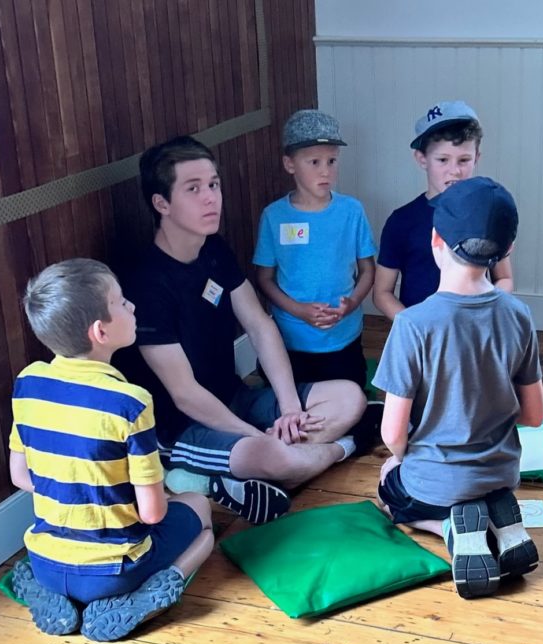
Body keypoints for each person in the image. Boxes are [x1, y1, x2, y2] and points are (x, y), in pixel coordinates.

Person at [119, 135, 366, 522]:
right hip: (181, 427)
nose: (211, 198)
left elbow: (259, 324)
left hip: (235, 398)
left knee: (350, 397)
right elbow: (185, 396)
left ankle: (241, 474)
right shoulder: (146, 283)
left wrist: (289, 407)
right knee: (276, 456)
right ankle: (343, 447)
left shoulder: (214, 249)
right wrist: (254, 436)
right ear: (161, 203)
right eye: (193, 188)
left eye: (213, 184)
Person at [9, 258, 214, 641]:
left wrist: (78, 493)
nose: (131, 306)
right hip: (115, 573)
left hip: (47, 563)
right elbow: (152, 513)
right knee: (202, 515)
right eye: (121, 302)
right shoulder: (130, 402)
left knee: (60, 552)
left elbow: (20, 475)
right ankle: (146, 597)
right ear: (100, 331)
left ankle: (45, 590)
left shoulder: (28, 383)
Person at [373, 177, 543, 599]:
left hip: (437, 485)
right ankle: (496, 521)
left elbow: (392, 433)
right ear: (507, 250)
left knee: (387, 484)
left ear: (436, 239)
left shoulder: (412, 324)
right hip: (501, 476)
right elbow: (534, 415)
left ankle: (449, 527)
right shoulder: (518, 314)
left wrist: (399, 460)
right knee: (464, 489)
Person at [253, 109, 376, 390]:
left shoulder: (351, 211)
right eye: (314, 162)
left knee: (351, 397)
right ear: (290, 164)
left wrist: (352, 302)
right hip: (292, 338)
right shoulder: (274, 216)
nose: (325, 171)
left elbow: (368, 269)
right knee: (293, 403)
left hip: (343, 336)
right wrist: (298, 310)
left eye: (332, 161)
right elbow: (264, 278)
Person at [373, 101, 514, 321]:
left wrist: (485, 310)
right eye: (442, 160)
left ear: (476, 158)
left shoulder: (487, 214)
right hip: (419, 333)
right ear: (422, 159)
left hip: (474, 329)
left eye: (464, 160)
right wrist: (414, 328)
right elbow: (382, 293)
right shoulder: (401, 221)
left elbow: (504, 278)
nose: (454, 171)